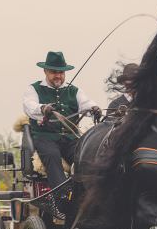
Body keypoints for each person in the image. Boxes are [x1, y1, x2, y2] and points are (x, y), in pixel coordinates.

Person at [22, 51, 101, 200]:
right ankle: (63, 195)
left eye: (61, 72)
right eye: (54, 72)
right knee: (52, 156)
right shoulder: (33, 89)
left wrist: (94, 109)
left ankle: (89, 194)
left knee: (86, 156)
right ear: (45, 71)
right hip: (45, 137)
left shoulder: (74, 91)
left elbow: (87, 104)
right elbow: (29, 106)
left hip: (71, 138)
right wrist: (43, 108)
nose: (58, 76)